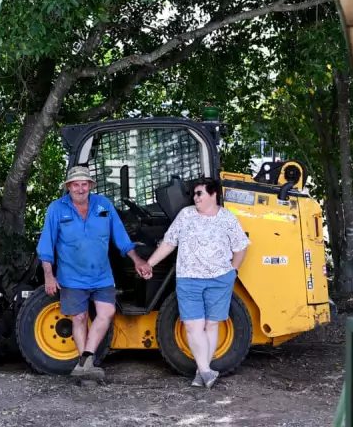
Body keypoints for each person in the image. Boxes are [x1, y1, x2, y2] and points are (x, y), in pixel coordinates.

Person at [37, 165, 152, 379]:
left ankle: (85, 361)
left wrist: (137, 259)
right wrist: (48, 275)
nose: (80, 189)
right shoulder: (56, 209)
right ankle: (86, 365)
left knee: (106, 312)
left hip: (101, 275)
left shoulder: (103, 206)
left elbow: (120, 236)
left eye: (84, 184)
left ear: (90, 185)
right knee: (79, 317)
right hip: (71, 275)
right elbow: (46, 245)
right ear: (69, 187)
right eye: (75, 185)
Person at [142, 177, 249, 389]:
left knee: (211, 324)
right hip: (189, 279)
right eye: (194, 194)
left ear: (213, 194)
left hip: (219, 279)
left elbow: (241, 247)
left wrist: (232, 272)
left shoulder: (227, 218)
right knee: (192, 325)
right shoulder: (186, 215)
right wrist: (150, 263)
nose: (195, 197)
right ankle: (207, 371)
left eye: (199, 193)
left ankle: (202, 372)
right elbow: (169, 242)